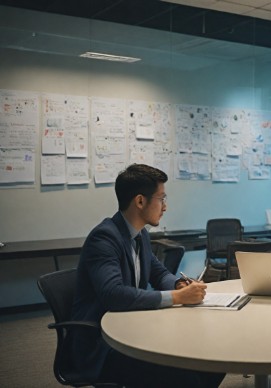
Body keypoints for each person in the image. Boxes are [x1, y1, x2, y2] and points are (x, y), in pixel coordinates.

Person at [70, 164, 225, 387]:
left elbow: (157, 271)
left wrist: (179, 284)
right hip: (103, 345)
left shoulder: (139, 234)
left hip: (132, 329)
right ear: (140, 201)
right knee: (187, 376)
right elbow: (113, 294)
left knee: (211, 360)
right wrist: (177, 297)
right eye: (161, 199)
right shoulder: (104, 238)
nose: (165, 207)